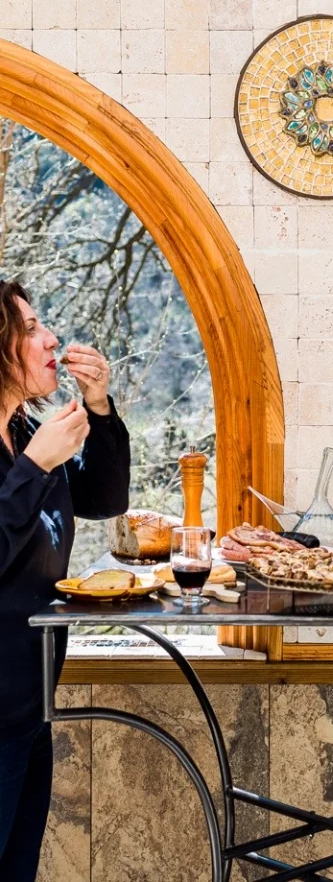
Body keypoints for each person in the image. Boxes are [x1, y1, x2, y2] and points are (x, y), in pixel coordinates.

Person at [0, 280, 130, 881]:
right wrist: (33, 468)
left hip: (30, 704)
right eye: (28, 329)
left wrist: (98, 405)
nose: (49, 337)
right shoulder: (29, 451)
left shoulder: (26, 432)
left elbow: (102, 497)